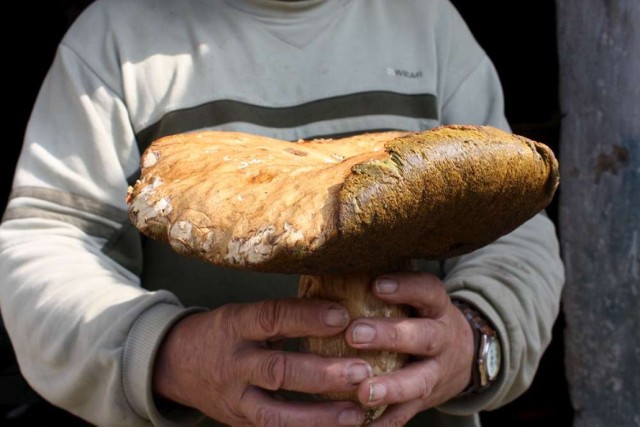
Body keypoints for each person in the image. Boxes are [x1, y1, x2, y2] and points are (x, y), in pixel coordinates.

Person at [0, 0, 564, 426]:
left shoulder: (428, 21)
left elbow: (515, 234)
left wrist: (477, 340)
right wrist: (162, 352)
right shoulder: (115, 36)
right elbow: (48, 243)